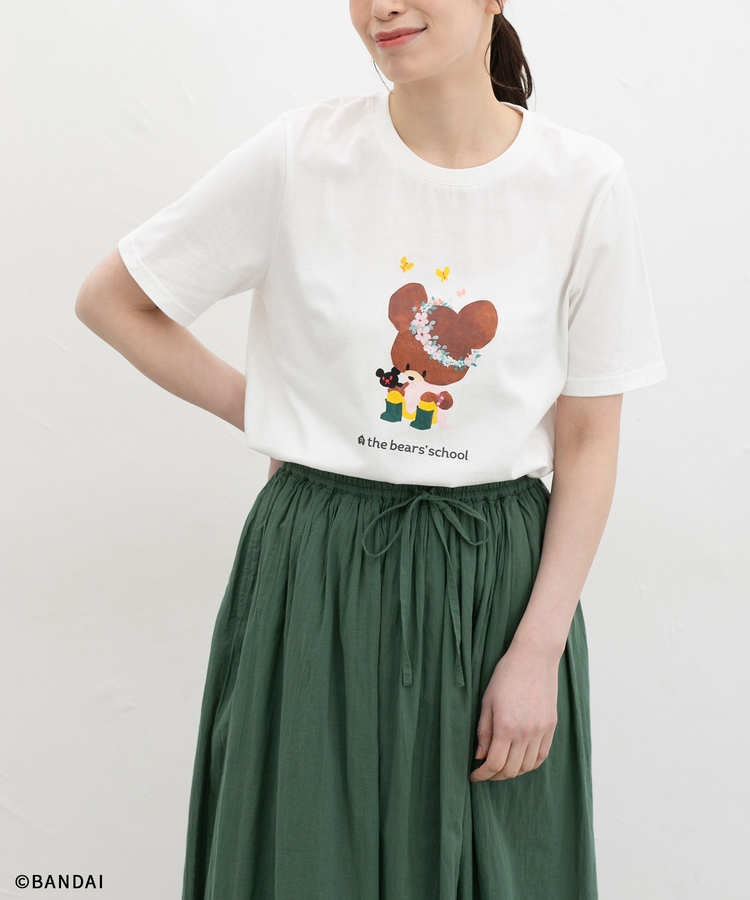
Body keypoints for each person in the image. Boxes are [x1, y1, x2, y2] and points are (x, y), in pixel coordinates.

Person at [75, 1, 667, 897]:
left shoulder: (582, 183)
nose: (382, 5)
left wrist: (537, 651)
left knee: (502, 865)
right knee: (303, 859)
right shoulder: (301, 156)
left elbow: (589, 440)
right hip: (318, 566)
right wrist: (278, 415)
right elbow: (114, 301)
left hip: (497, 579)